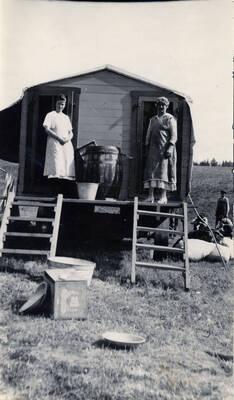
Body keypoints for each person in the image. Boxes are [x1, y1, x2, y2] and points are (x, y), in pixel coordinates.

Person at [143, 96, 177, 204]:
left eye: (163, 105)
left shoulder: (169, 119)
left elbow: (174, 135)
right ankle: (150, 196)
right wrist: (147, 146)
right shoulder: (153, 120)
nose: (161, 107)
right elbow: (148, 134)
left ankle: (163, 197)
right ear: (156, 106)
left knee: (163, 173)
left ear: (167, 106)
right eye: (159, 105)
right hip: (153, 150)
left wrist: (170, 147)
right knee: (151, 172)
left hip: (165, 151)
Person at [43, 94, 76, 197]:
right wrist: (59, 138)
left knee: (65, 168)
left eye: (62, 104)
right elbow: (47, 129)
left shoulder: (66, 117)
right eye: (59, 104)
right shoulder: (51, 115)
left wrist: (68, 139)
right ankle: (53, 193)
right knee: (55, 167)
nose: (60, 106)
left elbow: (71, 132)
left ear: (65, 104)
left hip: (66, 145)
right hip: (55, 143)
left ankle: (63, 194)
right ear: (55, 103)